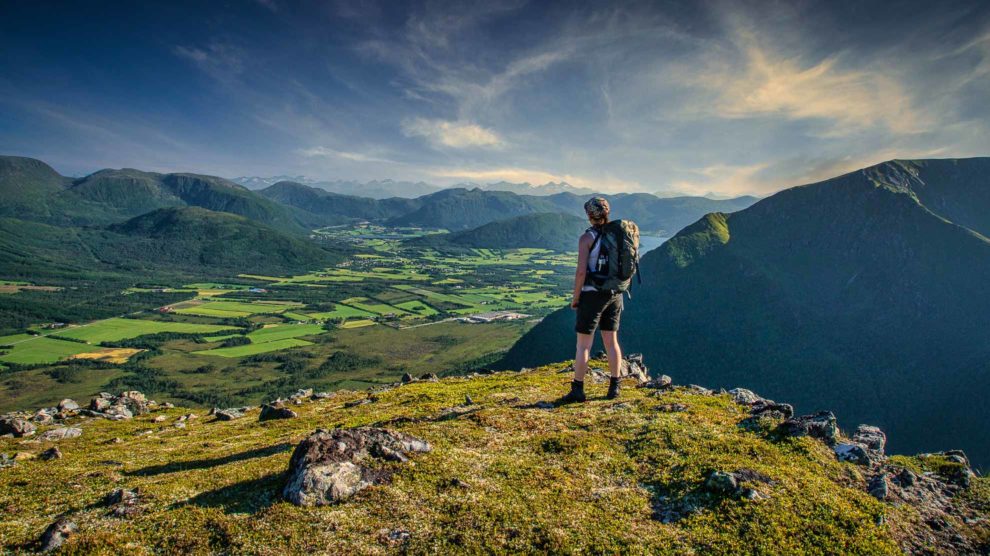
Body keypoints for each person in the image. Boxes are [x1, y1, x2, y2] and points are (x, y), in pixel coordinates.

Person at [559, 197, 624, 403]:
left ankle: (578, 389)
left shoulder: (586, 238)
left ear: (589, 215)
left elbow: (580, 272)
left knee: (583, 345)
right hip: (615, 294)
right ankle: (615, 387)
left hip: (592, 294)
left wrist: (576, 298)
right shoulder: (619, 236)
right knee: (611, 342)